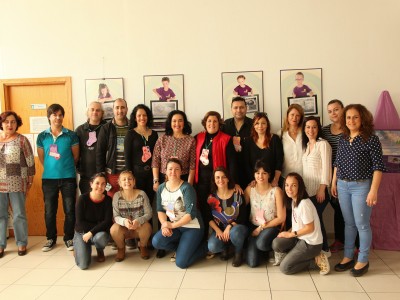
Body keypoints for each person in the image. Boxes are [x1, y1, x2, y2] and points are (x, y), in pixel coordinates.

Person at [331, 104, 385, 277]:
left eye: (355, 117)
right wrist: (334, 182)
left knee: (362, 224)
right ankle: (348, 256)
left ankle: (363, 259)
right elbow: (337, 163)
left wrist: (373, 190)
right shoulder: (343, 139)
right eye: (348, 117)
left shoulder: (371, 139)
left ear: (362, 118)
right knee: (349, 223)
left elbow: (378, 167)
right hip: (342, 185)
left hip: (362, 186)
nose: (351, 120)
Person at [37, 104, 79, 252]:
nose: (58, 117)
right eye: (55, 115)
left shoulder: (71, 135)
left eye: (60, 115)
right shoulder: (42, 136)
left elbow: (75, 157)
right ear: (49, 117)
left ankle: (69, 238)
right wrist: (52, 168)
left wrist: (64, 167)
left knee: (69, 210)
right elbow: (42, 159)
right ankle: (50, 238)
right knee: (49, 211)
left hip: (68, 178)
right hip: (49, 179)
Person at [152, 158, 207, 268]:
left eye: (177, 169)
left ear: (181, 172)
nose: (173, 172)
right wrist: (164, 225)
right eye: (170, 169)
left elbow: (190, 214)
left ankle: (206, 247)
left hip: (192, 226)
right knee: (156, 241)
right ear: (165, 171)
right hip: (176, 227)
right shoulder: (161, 188)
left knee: (181, 263)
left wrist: (171, 225)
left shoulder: (187, 188)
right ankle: (183, 249)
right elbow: (160, 210)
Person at [272, 173, 330, 275]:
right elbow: (297, 224)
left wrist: (290, 234)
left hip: (311, 244)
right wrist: (287, 232)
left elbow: (310, 228)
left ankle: (315, 260)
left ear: (300, 187)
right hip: (300, 238)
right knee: (277, 243)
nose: (289, 188)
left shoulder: (304, 204)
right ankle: (294, 257)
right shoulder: (294, 201)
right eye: (287, 185)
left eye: (293, 185)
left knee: (285, 268)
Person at [194, 111, 238, 238]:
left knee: (218, 210)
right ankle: (203, 240)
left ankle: (220, 239)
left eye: (215, 121)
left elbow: (232, 164)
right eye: (209, 121)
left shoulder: (226, 139)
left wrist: (233, 183)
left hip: (219, 183)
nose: (212, 124)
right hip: (201, 182)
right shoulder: (198, 137)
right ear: (205, 123)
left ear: (219, 123)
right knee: (203, 210)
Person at [0, 111, 35, 258]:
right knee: (1, 215)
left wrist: (30, 180)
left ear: (17, 123)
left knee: (19, 214)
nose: (9, 124)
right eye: (6, 121)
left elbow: (30, 162)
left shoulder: (22, 140)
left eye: (13, 121)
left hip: (17, 182)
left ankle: (21, 242)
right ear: (1, 123)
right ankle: (1, 245)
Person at [245, 161, 285, 268]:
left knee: (261, 243)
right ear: (254, 175)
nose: (260, 176)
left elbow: (281, 218)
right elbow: (239, 207)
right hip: (254, 228)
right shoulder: (250, 190)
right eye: (257, 173)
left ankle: (273, 249)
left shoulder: (276, 191)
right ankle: (262, 251)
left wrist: (260, 228)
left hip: (271, 226)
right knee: (252, 263)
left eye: (264, 173)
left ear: (269, 175)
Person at [301, 116, 332, 255]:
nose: (310, 130)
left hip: (320, 191)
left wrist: (322, 188)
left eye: (314, 127)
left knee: (317, 219)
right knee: (313, 220)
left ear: (318, 129)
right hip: (308, 191)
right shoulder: (307, 146)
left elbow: (327, 168)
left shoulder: (323, 144)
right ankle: (317, 250)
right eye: (308, 127)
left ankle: (325, 249)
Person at [207, 167, 247, 267]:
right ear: (214, 179)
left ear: (228, 178)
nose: (220, 180)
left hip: (238, 227)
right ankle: (226, 248)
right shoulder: (211, 197)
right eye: (217, 177)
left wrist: (230, 226)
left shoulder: (237, 194)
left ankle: (238, 253)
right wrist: (217, 230)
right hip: (220, 229)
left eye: (223, 177)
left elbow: (243, 217)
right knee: (212, 246)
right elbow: (208, 217)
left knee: (235, 232)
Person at [110, 171, 153, 262]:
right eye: (124, 179)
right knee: (114, 229)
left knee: (147, 226)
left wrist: (138, 221)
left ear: (134, 181)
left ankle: (142, 246)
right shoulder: (116, 196)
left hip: (139, 227)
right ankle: (121, 249)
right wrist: (124, 221)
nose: (127, 181)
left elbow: (149, 213)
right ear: (120, 183)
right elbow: (116, 216)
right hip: (124, 228)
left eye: (130, 179)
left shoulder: (142, 194)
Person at [73, 173, 113, 270]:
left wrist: (91, 232)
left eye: (103, 184)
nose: (100, 186)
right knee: (83, 265)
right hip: (82, 232)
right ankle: (78, 247)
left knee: (102, 237)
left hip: (96, 233)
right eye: (97, 183)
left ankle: (99, 250)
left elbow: (107, 222)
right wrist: (97, 226)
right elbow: (79, 223)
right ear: (91, 184)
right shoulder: (82, 199)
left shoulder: (108, 200)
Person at [321, 99, 346, 253]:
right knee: (337, 209)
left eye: (336, 109)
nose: (333, 113)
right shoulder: (324, 131)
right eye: (330, 111)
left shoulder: (349, 129)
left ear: (343, 110)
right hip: (329, 175)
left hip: (346, 175)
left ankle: (350, 242)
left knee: (346, 211)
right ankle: (339, 240)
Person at [125, 104, 158, 203]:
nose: (142, 118)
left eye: (144, 115)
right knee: (138, 203)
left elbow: (157, 156)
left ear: (148, 117)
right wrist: (130, 177)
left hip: (151, 174)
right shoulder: (130, 134)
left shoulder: (154, 134)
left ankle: (150, 219)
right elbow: (127, 157)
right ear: (135, 118)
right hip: (137, 175)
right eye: (139, 115)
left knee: (150, 201)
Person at [96, 98, 129, 197]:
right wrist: (101, 175)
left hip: (129, 173)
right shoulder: (106, 128)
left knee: (129, 201)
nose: (120, 110)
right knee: (113, 201)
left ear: (127, 109)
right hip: (112, 173)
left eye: (122, 107)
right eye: (117, 108)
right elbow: (99, 152)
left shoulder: (132, 127)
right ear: (113, 109)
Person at [280, 104, 304, 230]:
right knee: (289, 211)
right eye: (292, 115)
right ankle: (289, 240)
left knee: (302, 210)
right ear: (287, 117)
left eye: (298, 115)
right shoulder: (280, 134)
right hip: (285, 177)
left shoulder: (305, 133)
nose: (294, 118)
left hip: (303, 177)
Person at [75, 101, 107, 194]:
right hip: (86, 175)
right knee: (86, 203)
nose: (95, 112)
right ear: (87, 112)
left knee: (103, 203)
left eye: (98, 110)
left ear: (102, 113)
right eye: (92, 110)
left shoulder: (107, 128)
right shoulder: (79, 130)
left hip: (104, 174)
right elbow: (75, 152)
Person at [245, 112, 283, 187]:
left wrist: (275, 180)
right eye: (257, 123)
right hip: (255, 182)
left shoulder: (275, 139)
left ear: (267, 125)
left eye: (263, 123)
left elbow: (279, 161)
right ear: (253, 125)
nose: (260, 126)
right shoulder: (248, 141)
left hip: (272, 182)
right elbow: (246, 163)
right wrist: (252, 179)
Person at [222, 97, 253, 189]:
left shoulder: (254, 124)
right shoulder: (225, 125)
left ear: (246, 108)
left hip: (249, 170)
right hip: (230, 170)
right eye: (235, 108)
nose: (239, 110)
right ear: (231, 109)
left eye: (241, 107)